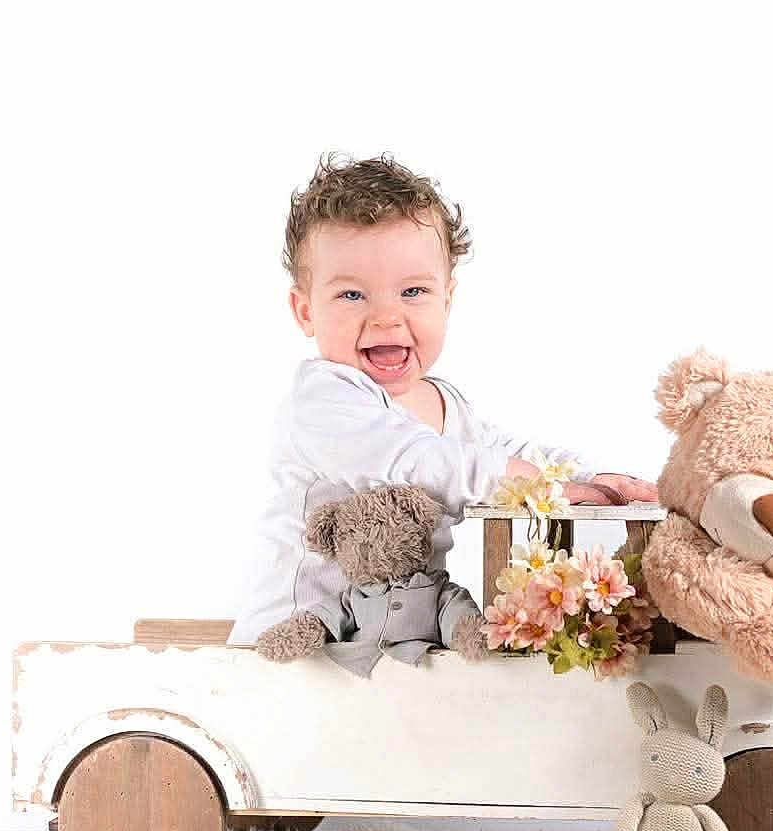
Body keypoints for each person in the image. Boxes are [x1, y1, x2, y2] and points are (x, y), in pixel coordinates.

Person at [226, 152, 658, 648]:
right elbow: (419, 464)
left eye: (412, 291)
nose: (387, 316)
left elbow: (505, 450)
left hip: (392, 641)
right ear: (305, 311)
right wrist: (540, 487)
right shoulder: (324, 400)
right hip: (299, 646)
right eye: (352, 295)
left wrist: (589, 477)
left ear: (447, 300)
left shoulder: (442, 400)